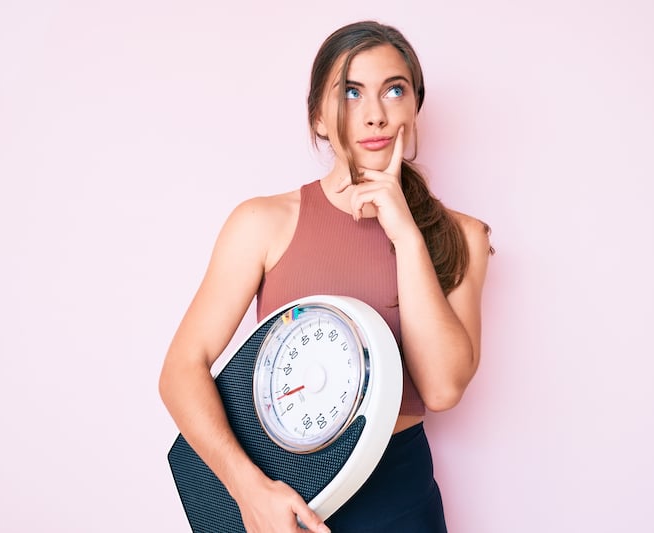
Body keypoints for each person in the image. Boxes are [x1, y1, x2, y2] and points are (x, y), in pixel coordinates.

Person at [159, 20, 492, 533]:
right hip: (284, 494)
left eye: (394, 90)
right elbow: (182, 369)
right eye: (351, 92)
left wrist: (405, 235)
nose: (375, 114)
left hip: (399, 501)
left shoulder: (460, 234)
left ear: (415, 109)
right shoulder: (264, 222)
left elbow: (442, 388)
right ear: (318, 116)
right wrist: (250, 491)